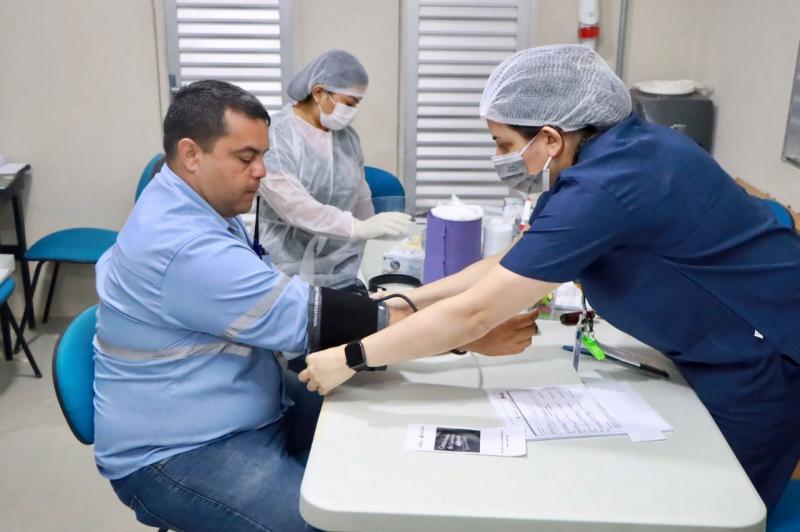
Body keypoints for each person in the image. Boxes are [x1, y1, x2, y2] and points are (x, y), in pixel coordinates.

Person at [299, 44, 800, 510]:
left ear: (552, 137)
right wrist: (409, 301)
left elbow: (476, 312)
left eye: (502, 143)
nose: (498, 157)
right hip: (719, 342)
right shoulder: (622, 149)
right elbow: (510, 260)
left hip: (763, 352)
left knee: (716, 507)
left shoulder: (603, 188)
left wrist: (353, 356)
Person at [93, 80, 537, 532]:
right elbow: (321, 322)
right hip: (179, 450)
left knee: (386, 432)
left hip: (248, 401)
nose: (262, 172)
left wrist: (438, 317)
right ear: (191, 155)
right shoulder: (183, 246)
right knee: (328, 523)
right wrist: (469, 335)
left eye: (263, 156)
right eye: (246, 158)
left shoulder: (185, 203)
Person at [258, 50, 414, 289]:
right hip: (285, 270)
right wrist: (357, 228)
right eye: (349, 103)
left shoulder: (348, 138)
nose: (353, 111)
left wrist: (375, 230)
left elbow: (360, 195)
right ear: (319, 92)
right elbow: (293, 205)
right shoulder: (277, 136)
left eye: (357, 104)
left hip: (343, 270)